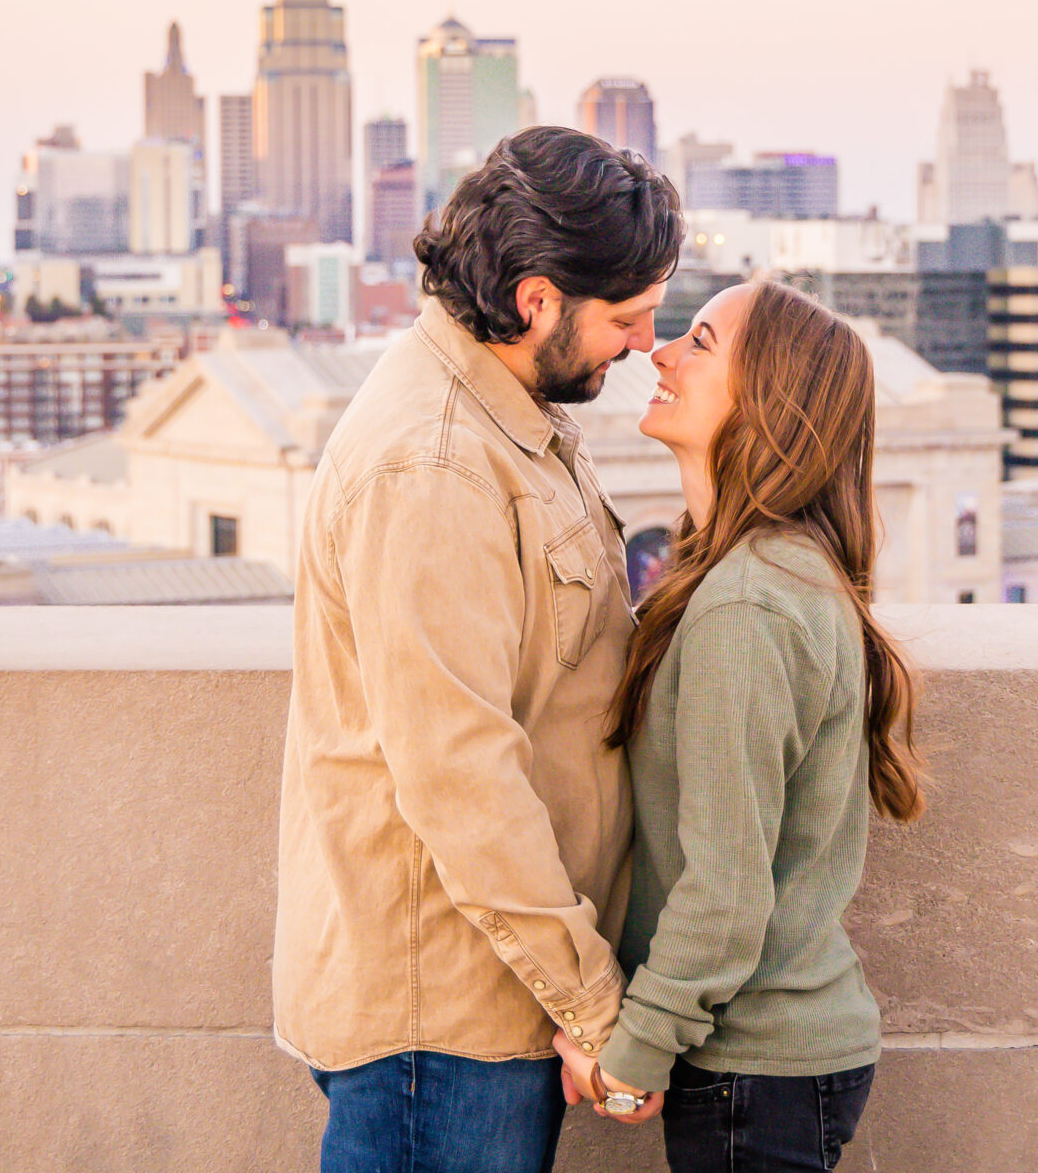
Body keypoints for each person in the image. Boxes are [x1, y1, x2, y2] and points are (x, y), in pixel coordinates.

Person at [272, 125, 683, 1173]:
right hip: (441, 1026)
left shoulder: (505, 416)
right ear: (538, 298)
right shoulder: (436, 467)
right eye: (627, 318)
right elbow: (459, 775)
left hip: (481, 1007)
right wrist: (595, 1006)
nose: (642, 344)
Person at [556, 281, 927, 1172]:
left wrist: (632, 1056)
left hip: (755, 1068)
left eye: (701, 342)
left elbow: (724, 891)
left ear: (767, 397)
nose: (660, 352)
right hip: (775, 1065)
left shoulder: (747, 605)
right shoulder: (759, 574)